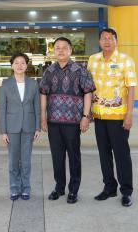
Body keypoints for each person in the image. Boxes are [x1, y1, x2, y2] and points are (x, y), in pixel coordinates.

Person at [39, 37, 95, 204]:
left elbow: (88, 93)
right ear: (53, 51)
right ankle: (59, 187)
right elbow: (43, 94)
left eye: (64, 47)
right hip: (53, 121)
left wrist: (85, 116)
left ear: (70, 50)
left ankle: (73, 190)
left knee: (73, 156)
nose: (61, 50)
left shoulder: (80, 70)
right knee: (57, 156)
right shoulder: (49, 71)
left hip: (73, 122)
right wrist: (43, 117)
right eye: (57, 47)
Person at [87, 27, 137, 207]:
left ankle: (126, 191)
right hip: (99, 115)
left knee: (122, 155)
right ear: (99, 41)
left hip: (118, 116)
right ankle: (109, 187)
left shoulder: (125, 60)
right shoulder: (93, 60)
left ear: (116, 41)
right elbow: (88, 87)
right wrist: (87, 111)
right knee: (104, 154)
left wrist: (129, 114)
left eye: (111, 38)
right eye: (104, 38)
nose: (107, 41)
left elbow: (131, 87)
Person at [0, 53, 40, 200]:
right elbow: (2, 109)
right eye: (16, 63)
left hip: (29, 126)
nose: (20, 65)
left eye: (23, 63)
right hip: (11, 128)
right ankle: (14, 188)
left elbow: (37, 107)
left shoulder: (33, 84)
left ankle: (26, 188)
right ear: (12, 66)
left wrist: (37, 127)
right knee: (13, 160)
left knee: (26, 160)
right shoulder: (5, 84)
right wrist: (3, 131)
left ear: (27, 66)